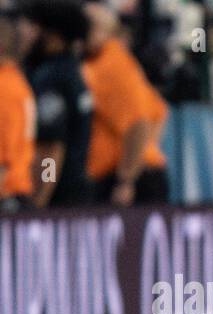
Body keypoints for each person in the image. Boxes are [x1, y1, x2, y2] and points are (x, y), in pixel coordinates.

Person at [82, 3, 170, 205]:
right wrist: (147, 150)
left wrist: (126, 179)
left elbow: (139, 124)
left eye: (91, 26)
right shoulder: (106, 61)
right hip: (138, 171)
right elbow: (160, 110)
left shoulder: (111, 64)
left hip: (126, 179)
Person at [17, 0, 91, 208]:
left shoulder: (51, 77)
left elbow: (51, 148)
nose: (28, 33)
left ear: (52, 34)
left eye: (34, 27)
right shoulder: (72, 69)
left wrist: (41, 199)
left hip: (59, 197)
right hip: (76, 186)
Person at [0, 14, 35, 210]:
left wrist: (47, 182)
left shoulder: (4, 87)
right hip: (18, 190)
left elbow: (3, 158)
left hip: (7, 196)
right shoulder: (17, 81)